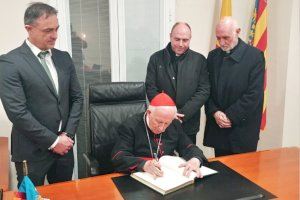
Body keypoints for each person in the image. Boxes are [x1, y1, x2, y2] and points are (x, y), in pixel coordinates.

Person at [0, 3, 83, 186]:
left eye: (56, 29)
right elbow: (17, 112)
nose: (54, 35)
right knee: (30, 197)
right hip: (31, 152)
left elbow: (77, 98)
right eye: (47, 30)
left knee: (63, 196)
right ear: (28, 29)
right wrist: (54, 141)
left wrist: (67, 136)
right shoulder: (10, 63)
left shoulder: (64, 58)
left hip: (64, 150)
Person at [203, 17, 265, 157]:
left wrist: (230, 116)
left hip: (242, 130)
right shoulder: (213, 56)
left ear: (238, 32)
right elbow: (207, 89)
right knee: (221, 174)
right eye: (218, 38)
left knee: (243, 175)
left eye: (226, 37)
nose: (222, 42)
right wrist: (215, 112)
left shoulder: (255, 56)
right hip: (219, 127)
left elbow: (254, 94)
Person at [112, 92, 207, 178]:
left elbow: (189, 147)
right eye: (159, 122)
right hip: (138, 177)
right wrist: (144, 164)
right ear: (149, 113)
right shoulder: (130, 126)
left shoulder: (174, 124)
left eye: (166, 123)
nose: (162, 128)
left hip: (167, 176)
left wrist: (196, 159)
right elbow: (118, 157)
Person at [145, 22, 210, 144]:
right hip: (161, 121)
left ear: (190, 39)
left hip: (188, 122)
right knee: (162, 159)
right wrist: (168, 113)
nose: (181, 44)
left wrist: (181, 114)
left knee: (187, 158)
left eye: (185, 40)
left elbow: (203, 90)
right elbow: (151, 88)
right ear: (170, 36)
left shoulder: (199, 60)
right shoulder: (156, 58)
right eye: (177, 39)